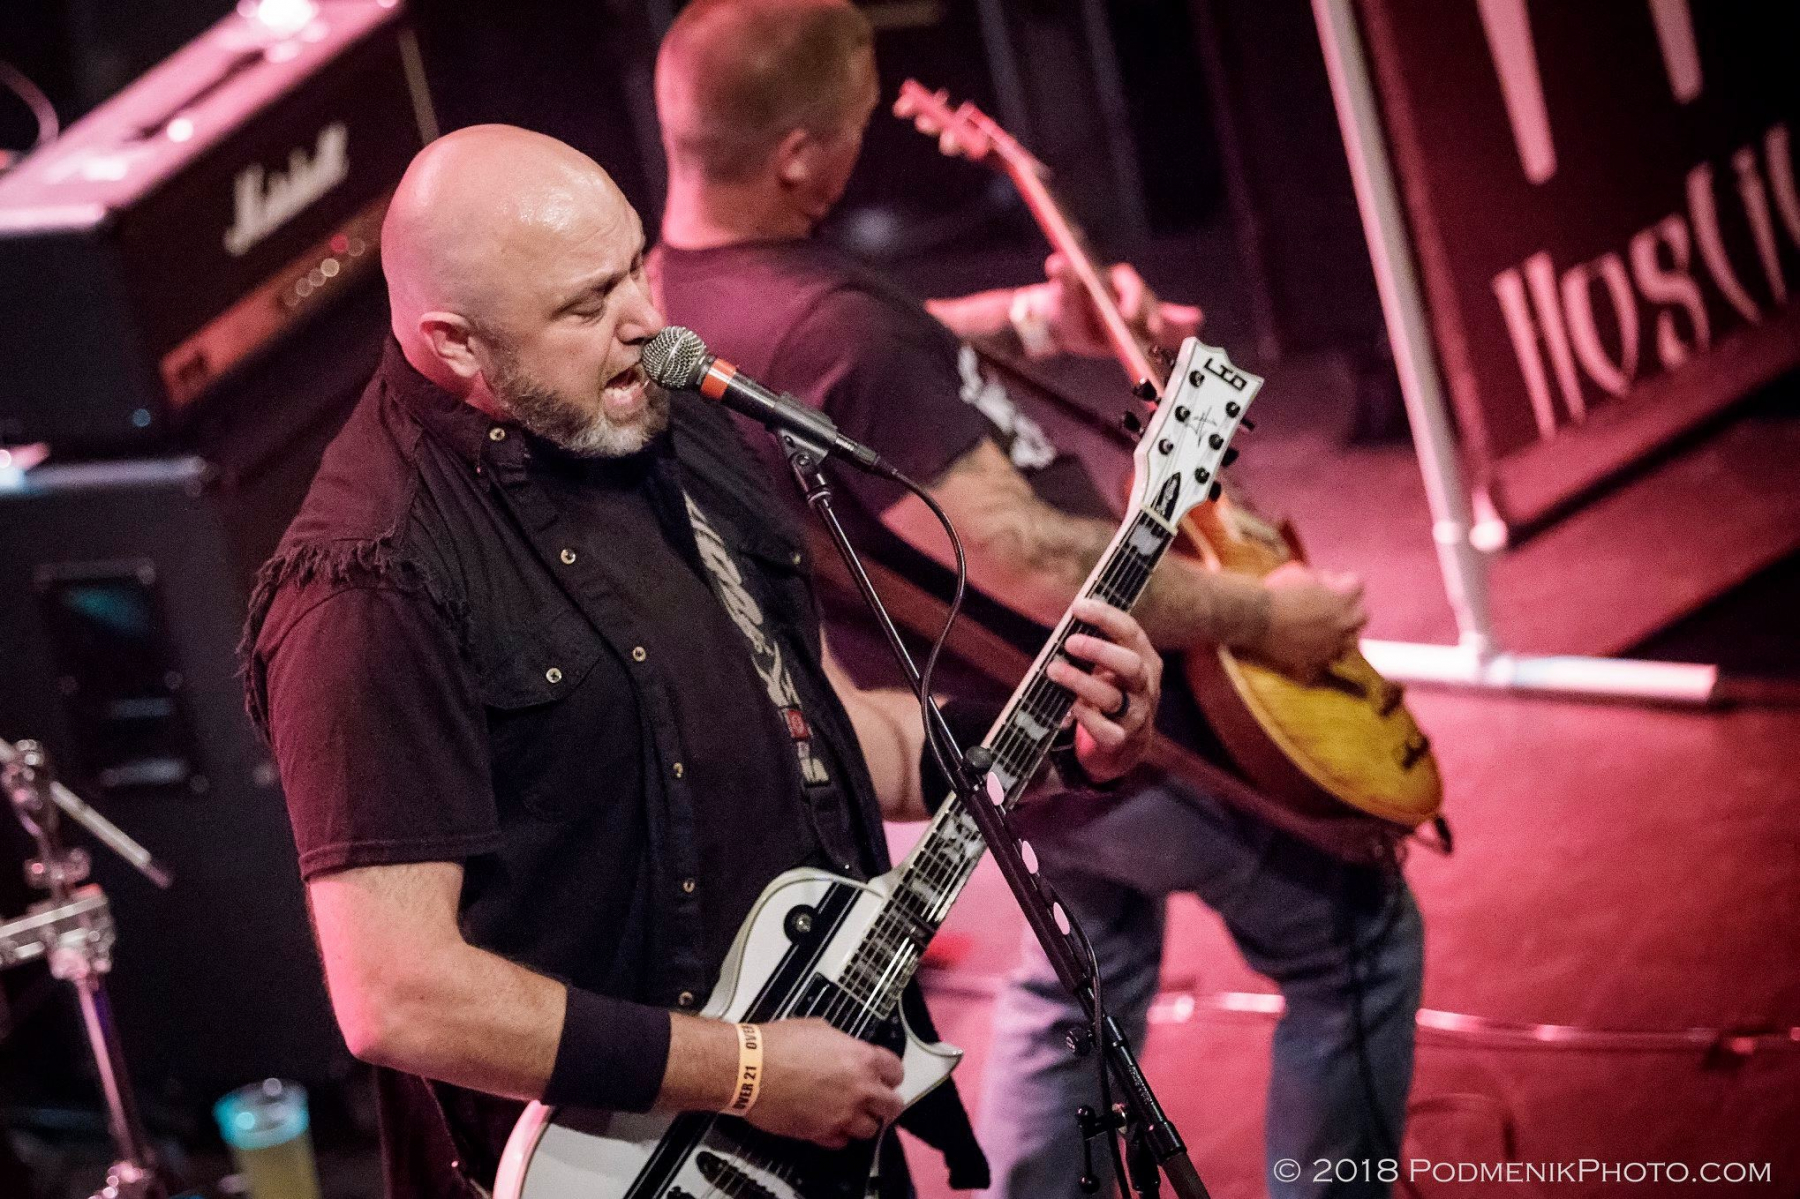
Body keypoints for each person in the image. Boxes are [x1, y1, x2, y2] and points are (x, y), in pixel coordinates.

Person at [241, 125, 1167, 1199]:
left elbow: (826, 741)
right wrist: (748, 1072)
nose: (645, 319)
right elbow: (397, 994)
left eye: (635, 266)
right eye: (585, 306)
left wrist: (1061, 741)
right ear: (457, 346)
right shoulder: (368, 588)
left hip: (811, 1126)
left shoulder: (665, 425)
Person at [649, 3, 1425, 1197]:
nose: (863, 145)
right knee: (1357, 935)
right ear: (796, 154)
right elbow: (1031, 558)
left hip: (985, 742)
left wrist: (1028, 320)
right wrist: (1272, 617)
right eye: (852, 125)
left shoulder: (687, 295)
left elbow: (882, 359)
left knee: (1083, 964)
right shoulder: (828, 323)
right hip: (1092, 712)